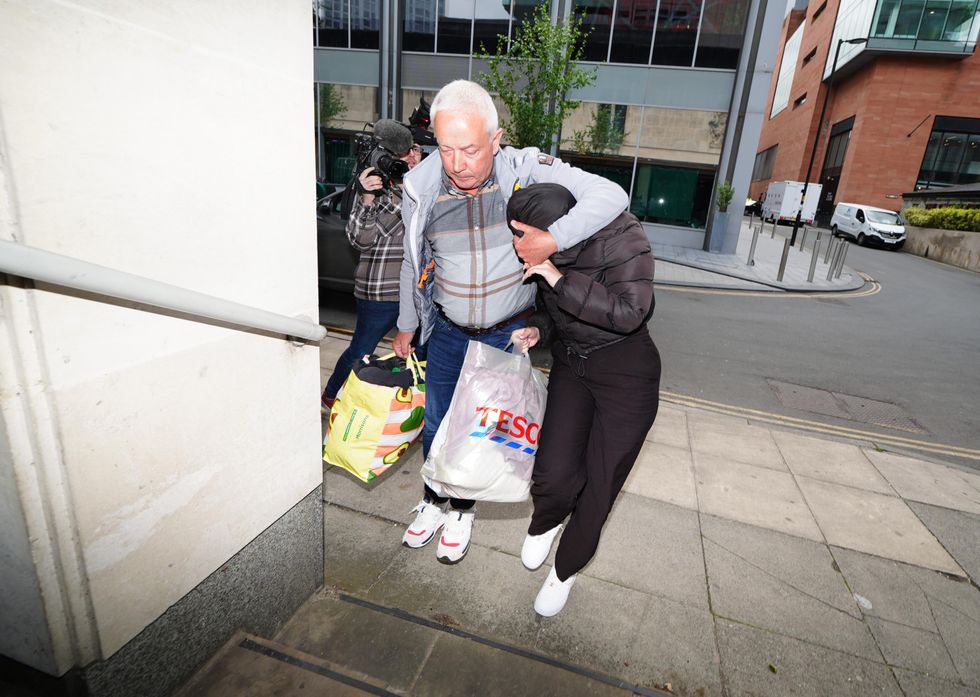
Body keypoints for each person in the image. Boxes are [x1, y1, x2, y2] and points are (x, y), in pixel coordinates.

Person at [391, 79, 629, 565]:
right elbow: (409, 260)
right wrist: (406, 322)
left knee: (483, 430)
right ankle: (435, 500)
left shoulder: (526, 170)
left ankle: (463, 507)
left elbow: (610, 195)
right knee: (438, 422)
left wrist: (554, 238)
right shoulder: (421, 186)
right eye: (446, 148)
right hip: (448, 328)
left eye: (472, 150)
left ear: (497, 140)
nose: (457, 164)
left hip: (505, 330)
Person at [508, 183, 661, 617]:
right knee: (553, 469)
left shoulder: (623, 237)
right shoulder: (539, 248)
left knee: (600, 483)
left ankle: (564, 571)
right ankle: (549, 518)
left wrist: (555, 274)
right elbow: (556, 311)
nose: (520, 248)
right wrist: (540, 329)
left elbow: (631, 312)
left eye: (526, 238)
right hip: (573, 365)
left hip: (627, 373)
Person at [321, 120, 421, 412]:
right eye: (404, 156)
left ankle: (406, 401)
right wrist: (367, 196)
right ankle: (331, 395)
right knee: (361, 349)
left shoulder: (420, 187)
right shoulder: (373, 190)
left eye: (415, 151)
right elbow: (361, 240)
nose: (412, 158)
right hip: (379, 291)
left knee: (419, 350)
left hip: (414, 291)